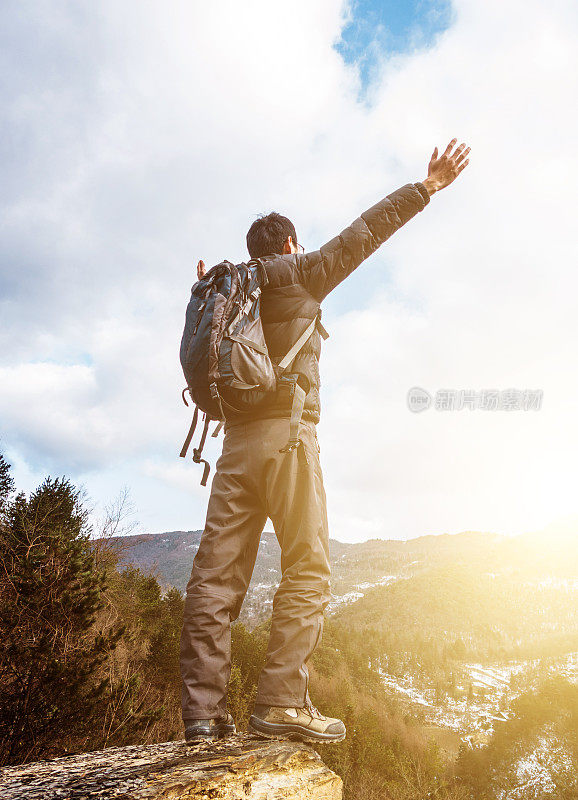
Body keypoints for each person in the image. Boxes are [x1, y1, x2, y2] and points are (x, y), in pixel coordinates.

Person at [180, 138, 470, 744]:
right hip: (288, 439)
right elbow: (367, 231)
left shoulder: (228, 290)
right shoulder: (301, 271)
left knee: (213, 578)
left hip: (233, 447)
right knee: (308, 568)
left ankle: (203, 717)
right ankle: (281, 702)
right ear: (290, 243)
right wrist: (428, 187)